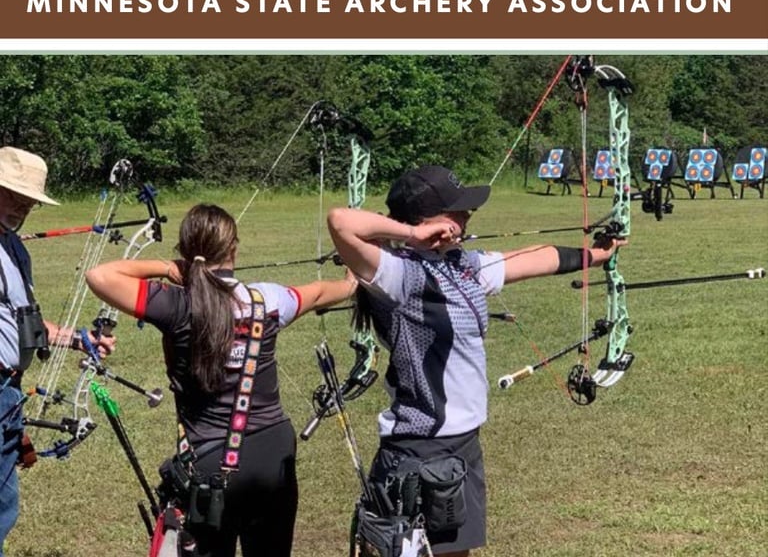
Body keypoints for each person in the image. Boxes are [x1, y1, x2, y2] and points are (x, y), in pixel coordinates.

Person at [327, 164, 627, 557]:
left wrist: (597, 255)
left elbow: (536, 258)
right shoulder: (398, 275)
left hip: (464, 445)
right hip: (420, 449)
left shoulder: (462, 265)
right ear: (427, 219)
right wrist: (412, 235)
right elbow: (341, 222)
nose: (468, 215)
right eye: (457, 210)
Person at [85, 203, 358, 557]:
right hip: (271, 451)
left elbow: (100, 276)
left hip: (210, 463)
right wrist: (350, 284)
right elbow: (318, 292)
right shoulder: (267, 299)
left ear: (186, 253)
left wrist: (168, 268)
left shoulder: (176, 304)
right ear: (233, 248)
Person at [0, 146, 115, 556]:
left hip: (8, 393)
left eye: (28, 200)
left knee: (4, 505)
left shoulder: (15, 249)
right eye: (14, 195)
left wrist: (80, 338)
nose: (22, 207)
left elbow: (26, 323)